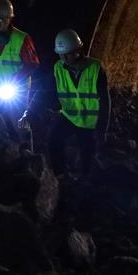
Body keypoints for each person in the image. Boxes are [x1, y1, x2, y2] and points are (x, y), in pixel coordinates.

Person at [47, 29, 109, 176]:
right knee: (53, 140)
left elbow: (105, 100)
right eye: (61, 54)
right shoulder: (58, 68)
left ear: (78, 50)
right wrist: (30, 111)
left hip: (89, 122)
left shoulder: (95, 68)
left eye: (67, 53)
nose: (64, 57)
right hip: (69, 116)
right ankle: (61, 174)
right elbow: (46, 91)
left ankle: (85, 183)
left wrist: (102, 129)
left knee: (87, 156)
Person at [0, 0, 39, 143]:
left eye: (2, 19)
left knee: (19, 120)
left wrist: (15, 79)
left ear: (9, 19)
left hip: (17, 87)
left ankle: (27, 151)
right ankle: (2, 143)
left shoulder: (21, 38)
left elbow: (32, 64)